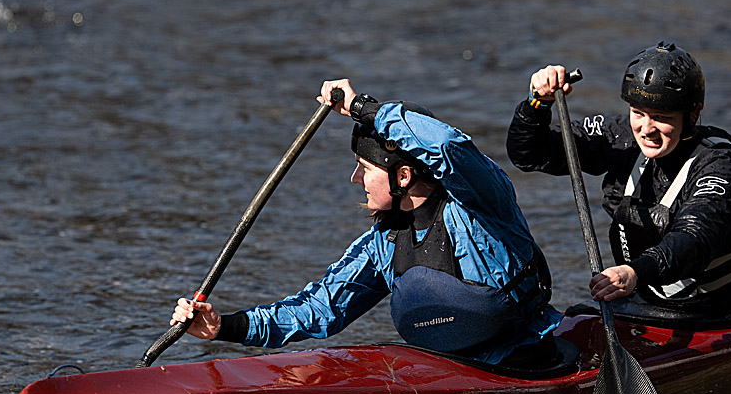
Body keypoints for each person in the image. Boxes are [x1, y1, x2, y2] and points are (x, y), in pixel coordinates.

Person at [170, 79, 564, 368]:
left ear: (403, 176)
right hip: (452, 372)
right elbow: (321, 308)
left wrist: (363, 108)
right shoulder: (384, 244)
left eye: (364, 168)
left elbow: (446, 145)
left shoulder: (483, 203)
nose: (355, 180)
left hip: (530, 364)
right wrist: (226, 327)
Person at [506, 41, 731, 313]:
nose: (646, 129)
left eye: (661, 117)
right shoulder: (621, 135)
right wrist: (538, 104)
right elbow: (529, 155)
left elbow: (694, 238)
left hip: (717, 306)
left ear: (693, 113)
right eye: (638, 113)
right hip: (642, 296)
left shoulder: (719, 163)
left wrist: (635, 272)